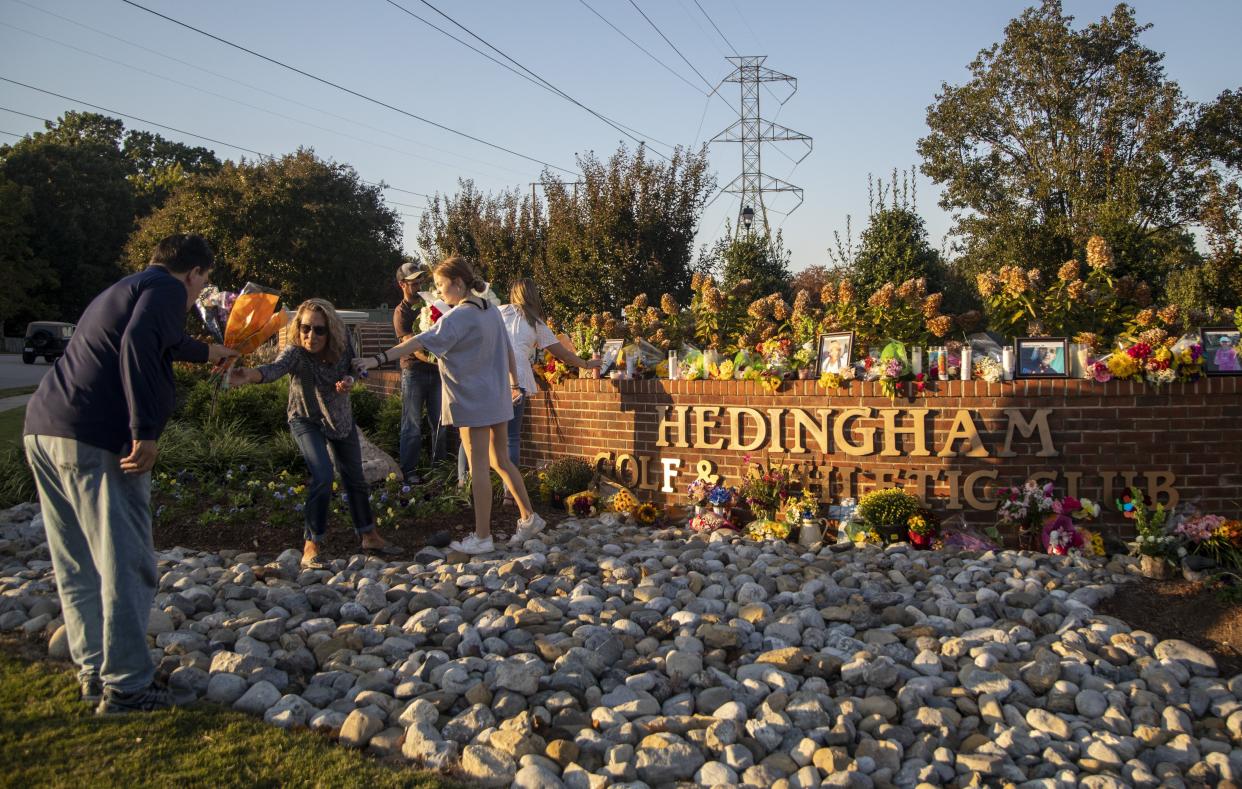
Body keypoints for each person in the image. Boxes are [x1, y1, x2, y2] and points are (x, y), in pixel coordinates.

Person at [23, 234, 238, 714]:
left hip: (44, 429)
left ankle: (94, 672)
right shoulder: (165, 290)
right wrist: (144, 431)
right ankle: (127, 686)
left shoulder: (126, 287)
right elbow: (140, 343)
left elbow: (154, 338)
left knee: (76, 563)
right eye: (203, 284)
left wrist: (208, 353)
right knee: (127, 561)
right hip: (98, 438)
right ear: (195, 275)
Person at [355, 255, 545, 554]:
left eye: (442, 285)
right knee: (500, 460)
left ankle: (482, 536)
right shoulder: (491, 310)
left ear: (458, 282)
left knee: (479, 466)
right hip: (496, 395)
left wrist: (375, 359)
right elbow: (508, 349)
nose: (440, 292)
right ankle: (529, 517)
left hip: (472, 398)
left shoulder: (459, 316)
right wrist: (513, 383)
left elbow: (416, 342)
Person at [228, 298, 399, 568]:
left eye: (319, 330)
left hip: (340, 419)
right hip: (306, 419)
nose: (311, 335)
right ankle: (312, 543)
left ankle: (369, 536)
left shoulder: (342, 348)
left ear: (330, 331)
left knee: (354, 477)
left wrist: (350, 381)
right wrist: (249, 375)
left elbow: (355, 368)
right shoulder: (296, 353)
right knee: (322, 474)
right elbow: (274, 370)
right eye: (306, 328)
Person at [456, 278, 600, 494]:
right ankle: (509, 492)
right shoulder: (535, 323)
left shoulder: (498, 312)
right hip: (518, 380)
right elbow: (563, 354)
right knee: (511, 438)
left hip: (489, 377)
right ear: (533, 296)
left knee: (474, 431)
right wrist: (587, 363)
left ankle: (463, 483)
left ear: (514, 294)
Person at [393, 258, 447, 483]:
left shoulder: (431, 304)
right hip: (414, 372)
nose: (418, 286)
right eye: (413, 282)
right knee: (412, 424)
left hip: (435, 374)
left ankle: (440, 471)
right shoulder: (401, 313)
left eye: (420, 281)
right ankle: (410, 473)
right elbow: (412, 347)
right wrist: (440, 362)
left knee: (440, 422)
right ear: (402, 285)